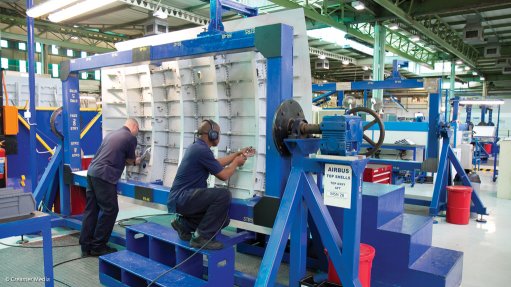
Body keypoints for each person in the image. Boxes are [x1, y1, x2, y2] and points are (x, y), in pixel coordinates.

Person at [167, 119, 255, 250]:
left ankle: (184, 225)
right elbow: (223, 175)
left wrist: (237, 154)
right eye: (218, 133)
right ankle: (201, 238)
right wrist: (236, 163)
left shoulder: (197, 147)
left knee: (222, 220)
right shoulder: (202, 150)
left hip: (180, 199)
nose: (218, 137)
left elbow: (216, 163)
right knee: (223, 195)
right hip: (183, 198)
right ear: (212, 135)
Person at [80, 118, 141, 256]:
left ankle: (86, 245)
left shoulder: (112, 134)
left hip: (92, 172)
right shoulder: (130, 138)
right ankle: (98, 246)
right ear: (134, 126)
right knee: (110, 210)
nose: (137, 133)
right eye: (138, 130)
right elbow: (130, 160)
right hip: (105, 175)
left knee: (92, 209)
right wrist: (137, 160)